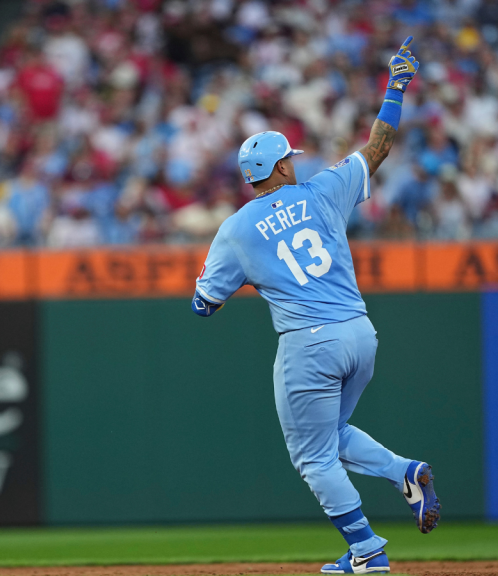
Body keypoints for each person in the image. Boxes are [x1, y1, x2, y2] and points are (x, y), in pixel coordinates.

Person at [191, 38, 440, 574]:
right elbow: (378, 147)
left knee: (313, 456)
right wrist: (396, 87)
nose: (293, 164)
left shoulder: (235, 229)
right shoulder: (323, 190)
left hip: (309, 343)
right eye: (288, 159)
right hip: (360, 333)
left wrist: (242, 279)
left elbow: (203, 304)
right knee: (331, 436)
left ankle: (367, 551)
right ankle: (403, 471)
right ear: (279, 168)